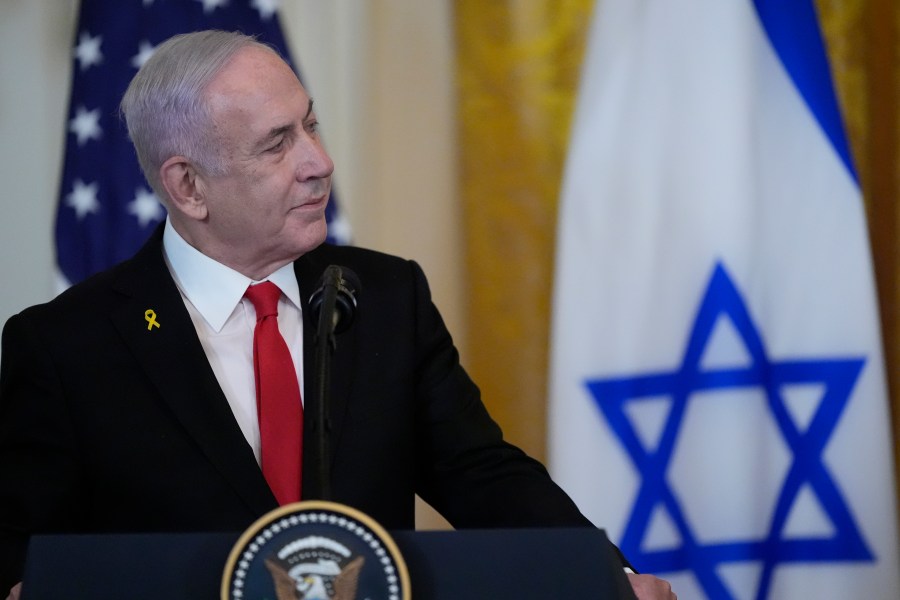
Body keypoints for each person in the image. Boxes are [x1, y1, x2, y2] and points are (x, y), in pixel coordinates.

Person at [0, 30, 673, 599]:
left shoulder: (384, 296)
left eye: (310, 124)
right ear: (188, 186)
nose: (319, 163)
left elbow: (482, 474)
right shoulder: (67, 347)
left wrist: (606, 576)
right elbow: (24, 556)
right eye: (276, 144)